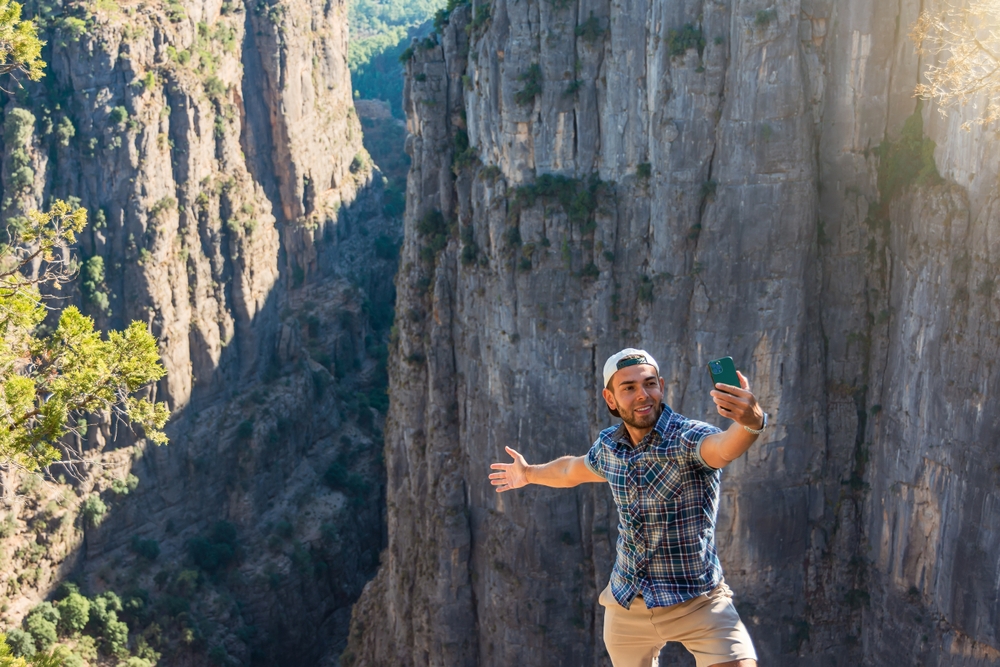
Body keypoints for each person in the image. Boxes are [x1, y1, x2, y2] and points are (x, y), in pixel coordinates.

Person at [489, 348, 767, 667]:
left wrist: (751, 421)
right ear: (611, 399)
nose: (642, 395)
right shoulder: (610, 447)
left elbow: (723, 448)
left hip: (698, 602)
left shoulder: (689, 439)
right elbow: (571, 470)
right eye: (629, 387)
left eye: (649, 384)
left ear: (661, 385)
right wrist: (527, 473)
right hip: (626, 606)